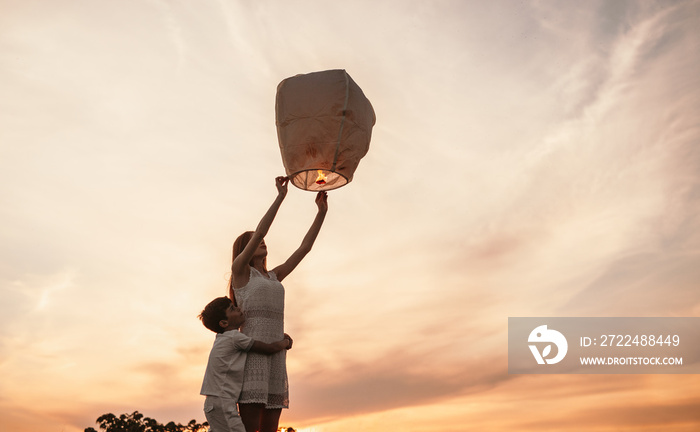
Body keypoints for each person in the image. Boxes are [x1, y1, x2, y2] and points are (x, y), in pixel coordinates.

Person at [229, 176, 327, 432]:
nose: (261, 241)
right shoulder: (240, 272)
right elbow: (261, 230)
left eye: (261, 241)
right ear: (244, 249)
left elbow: (304, 248)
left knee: (271, 429)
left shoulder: (274, 276)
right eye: (253, 241)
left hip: (277, 357)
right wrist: (280, 197)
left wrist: (321, 212)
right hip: (254, 356)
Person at [199, 296, 293, 432]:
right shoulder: (234, 338)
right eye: (232, 309)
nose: (238, 308)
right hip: (222, 402)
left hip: (216, 402)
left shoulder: (223, 339)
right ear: (224, 323)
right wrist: (285, 342)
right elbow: (268, 349)